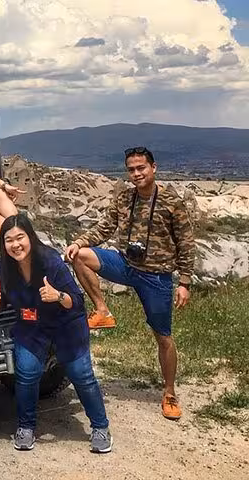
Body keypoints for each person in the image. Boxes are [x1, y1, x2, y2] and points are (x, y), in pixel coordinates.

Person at [65, 146, 195, 420]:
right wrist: (78, 242)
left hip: (156, 275)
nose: (136, 174)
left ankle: (169, 392)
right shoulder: (125, 198)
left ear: (153, 167)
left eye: (141, 168)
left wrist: (184, 281)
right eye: (131, 169)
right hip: (126, 265)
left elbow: (186, 242)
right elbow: (104, 228)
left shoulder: (171, 201)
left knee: (163, 337)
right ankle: (102, 310)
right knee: (81, 257)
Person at [0, 214, 113, 453]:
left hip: (66, 324)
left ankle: (100, 427)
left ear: (31, 237)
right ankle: (25, 427)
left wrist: (58, 296)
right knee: (26, 374)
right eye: (9, 240)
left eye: (20, 237)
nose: (15, 245)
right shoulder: (2, 267)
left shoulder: (50, 261)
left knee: (81, 374)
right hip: (31, 325)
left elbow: (76, 302)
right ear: (3, 244)